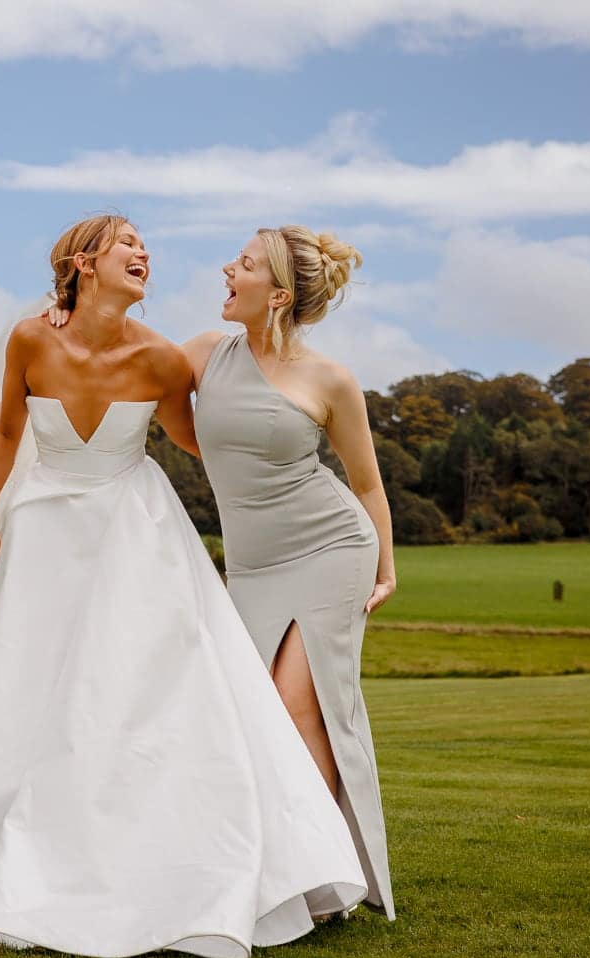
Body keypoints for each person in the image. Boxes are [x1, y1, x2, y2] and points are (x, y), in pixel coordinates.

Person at [0, 215, 368, 958]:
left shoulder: (165, 360)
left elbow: (210, 441)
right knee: (26, 692)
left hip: (137, 536)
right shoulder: (30, 339)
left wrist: (288, 486)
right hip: (43, 535)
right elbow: (6, 433)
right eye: (127, 242)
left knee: (141, 691)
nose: (144, 253)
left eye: (144, 245)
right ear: (82, 261)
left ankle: (166, 856)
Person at [184, 225, 397, 919]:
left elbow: (365, 486)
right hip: (250, 565)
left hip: (330, 549)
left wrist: (386, 566)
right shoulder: (203, 354)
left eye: (241, 265)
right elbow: (122, 363)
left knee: (300, 708)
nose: (227, 269)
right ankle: (281, 868)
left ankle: (317, 884)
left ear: (276, 294)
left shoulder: (329, 378)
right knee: (257, 716)